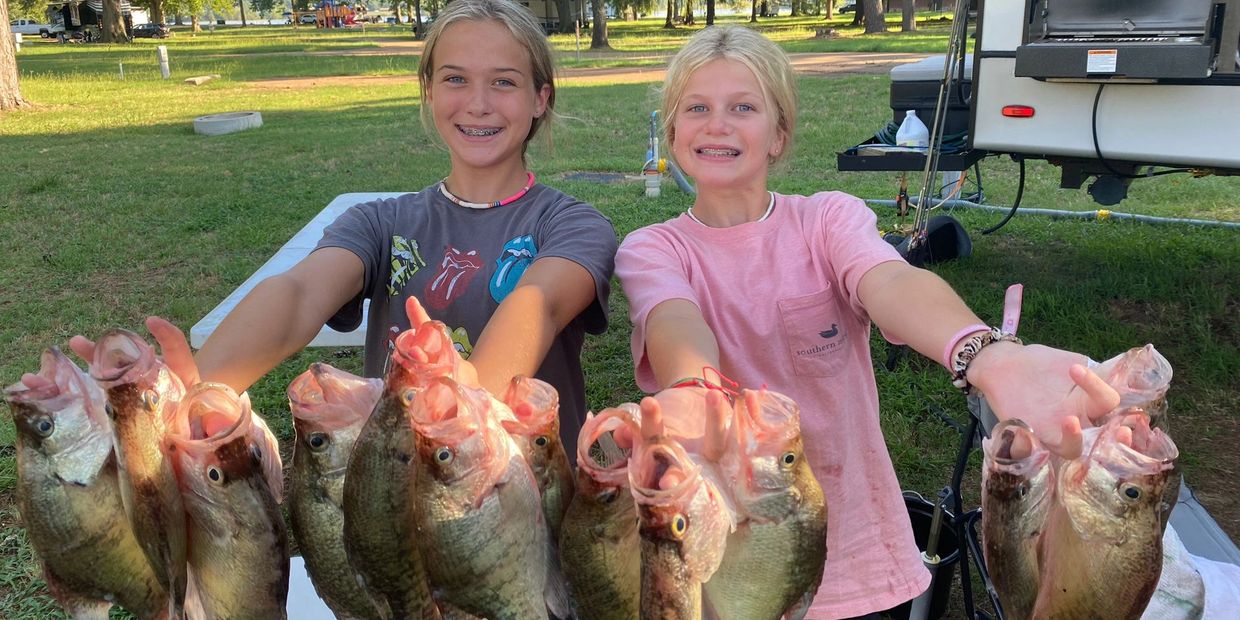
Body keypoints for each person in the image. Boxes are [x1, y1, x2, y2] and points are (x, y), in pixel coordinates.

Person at [613, 26, 1121, 619]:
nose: (717, 124)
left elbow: (891, 283)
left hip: (854, 550)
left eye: (743, 107)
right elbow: (675, 320)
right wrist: (696, 389)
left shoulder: (829, 219)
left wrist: (984, 352)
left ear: (779, 135)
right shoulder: (652, 248)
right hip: (725, 558)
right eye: (696, 108)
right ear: (672, 132)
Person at [77, 0, 616, 457]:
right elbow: (298, 294)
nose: (477, 103)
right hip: (397, 480)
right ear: (428, 89)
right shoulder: (380, 222)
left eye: (504, 82)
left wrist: (462, 394)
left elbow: (536, 303)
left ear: (540, 98)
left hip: (532, 491)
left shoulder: (573, 225)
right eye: (455, 79)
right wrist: (202, 388)